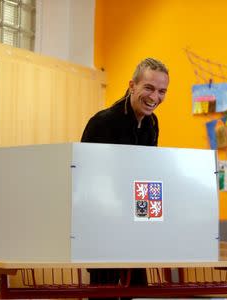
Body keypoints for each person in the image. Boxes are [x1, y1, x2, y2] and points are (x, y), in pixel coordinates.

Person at [81, 57, 169, 298]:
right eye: (149, 88)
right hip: (103, 227)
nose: (155, 97)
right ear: (132, 86)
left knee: (138, 291)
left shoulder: (151, 123)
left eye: (162, 91)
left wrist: (151, 218)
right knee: (104, 294)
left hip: (135, 226)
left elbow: (147, 177)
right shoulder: (103, 122)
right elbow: (87, 181)